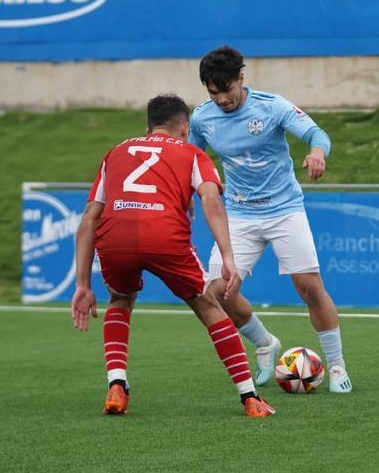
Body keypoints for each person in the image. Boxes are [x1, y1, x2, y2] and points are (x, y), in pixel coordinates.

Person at [70, 93, 276, 419]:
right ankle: (250, 398)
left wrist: (82, 284)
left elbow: (89, 219)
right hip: (164, 234)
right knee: (209, 306)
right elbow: (210, 200)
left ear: (148, 126)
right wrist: (227, 256)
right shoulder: (193, 153)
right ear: (184, 127)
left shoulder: (116, 152)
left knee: (121, 299)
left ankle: (117, 385)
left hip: (116, 235)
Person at [188, 45, 353, 393]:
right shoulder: (202, 118)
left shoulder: (272, 106)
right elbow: (188, 158)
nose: (221, 99)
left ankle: (337, 367)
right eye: (213, 93)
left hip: (284, 210)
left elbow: (316, 134)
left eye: (227, 90)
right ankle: (264, 343)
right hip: (239, 214)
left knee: (309, 288)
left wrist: (317, 153)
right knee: (218, 292)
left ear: (241, 79)